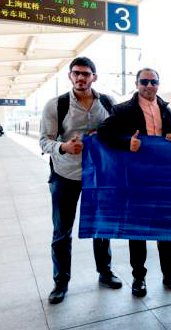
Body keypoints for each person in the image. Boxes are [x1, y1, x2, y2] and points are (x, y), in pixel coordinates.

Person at [39, 57, 120, 305]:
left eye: (86, 73)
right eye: (76, 73)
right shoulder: (56, 105)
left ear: (94, 77)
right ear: (70, 76)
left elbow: (117, 132)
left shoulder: (108, 102)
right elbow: (44, 141)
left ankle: (105, 272)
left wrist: (103, 135)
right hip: (65, 175)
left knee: (101, 226)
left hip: (98, 175)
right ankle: (60, 283)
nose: (81, 78)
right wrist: (63, 146)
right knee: (62, 231)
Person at [98, 68, 171, 298]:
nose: (149, 85)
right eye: (144, 81)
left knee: (166, 229)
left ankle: (170, 274)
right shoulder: (122, 110)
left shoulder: (166, 109)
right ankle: (139, 277)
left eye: (153, 81)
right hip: (136, 181)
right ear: (137, 84)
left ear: (158, 84)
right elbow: (104, 134)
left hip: (162, 179)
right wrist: (126, 143)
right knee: (137, 230)